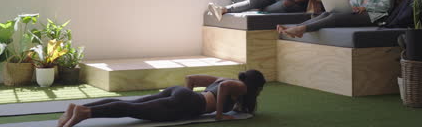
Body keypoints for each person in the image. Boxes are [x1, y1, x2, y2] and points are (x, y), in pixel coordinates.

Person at [57, 70, 266, 127]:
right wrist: (219, 115)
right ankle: (85, 113)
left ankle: (79, 108)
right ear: (254, 85)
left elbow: (190, 78)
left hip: (182, 95)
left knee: (132, 104)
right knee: (133, 109)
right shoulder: (240, 86)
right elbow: (224, 87)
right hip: (188, 102)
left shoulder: (225, 78)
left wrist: (185, 99)